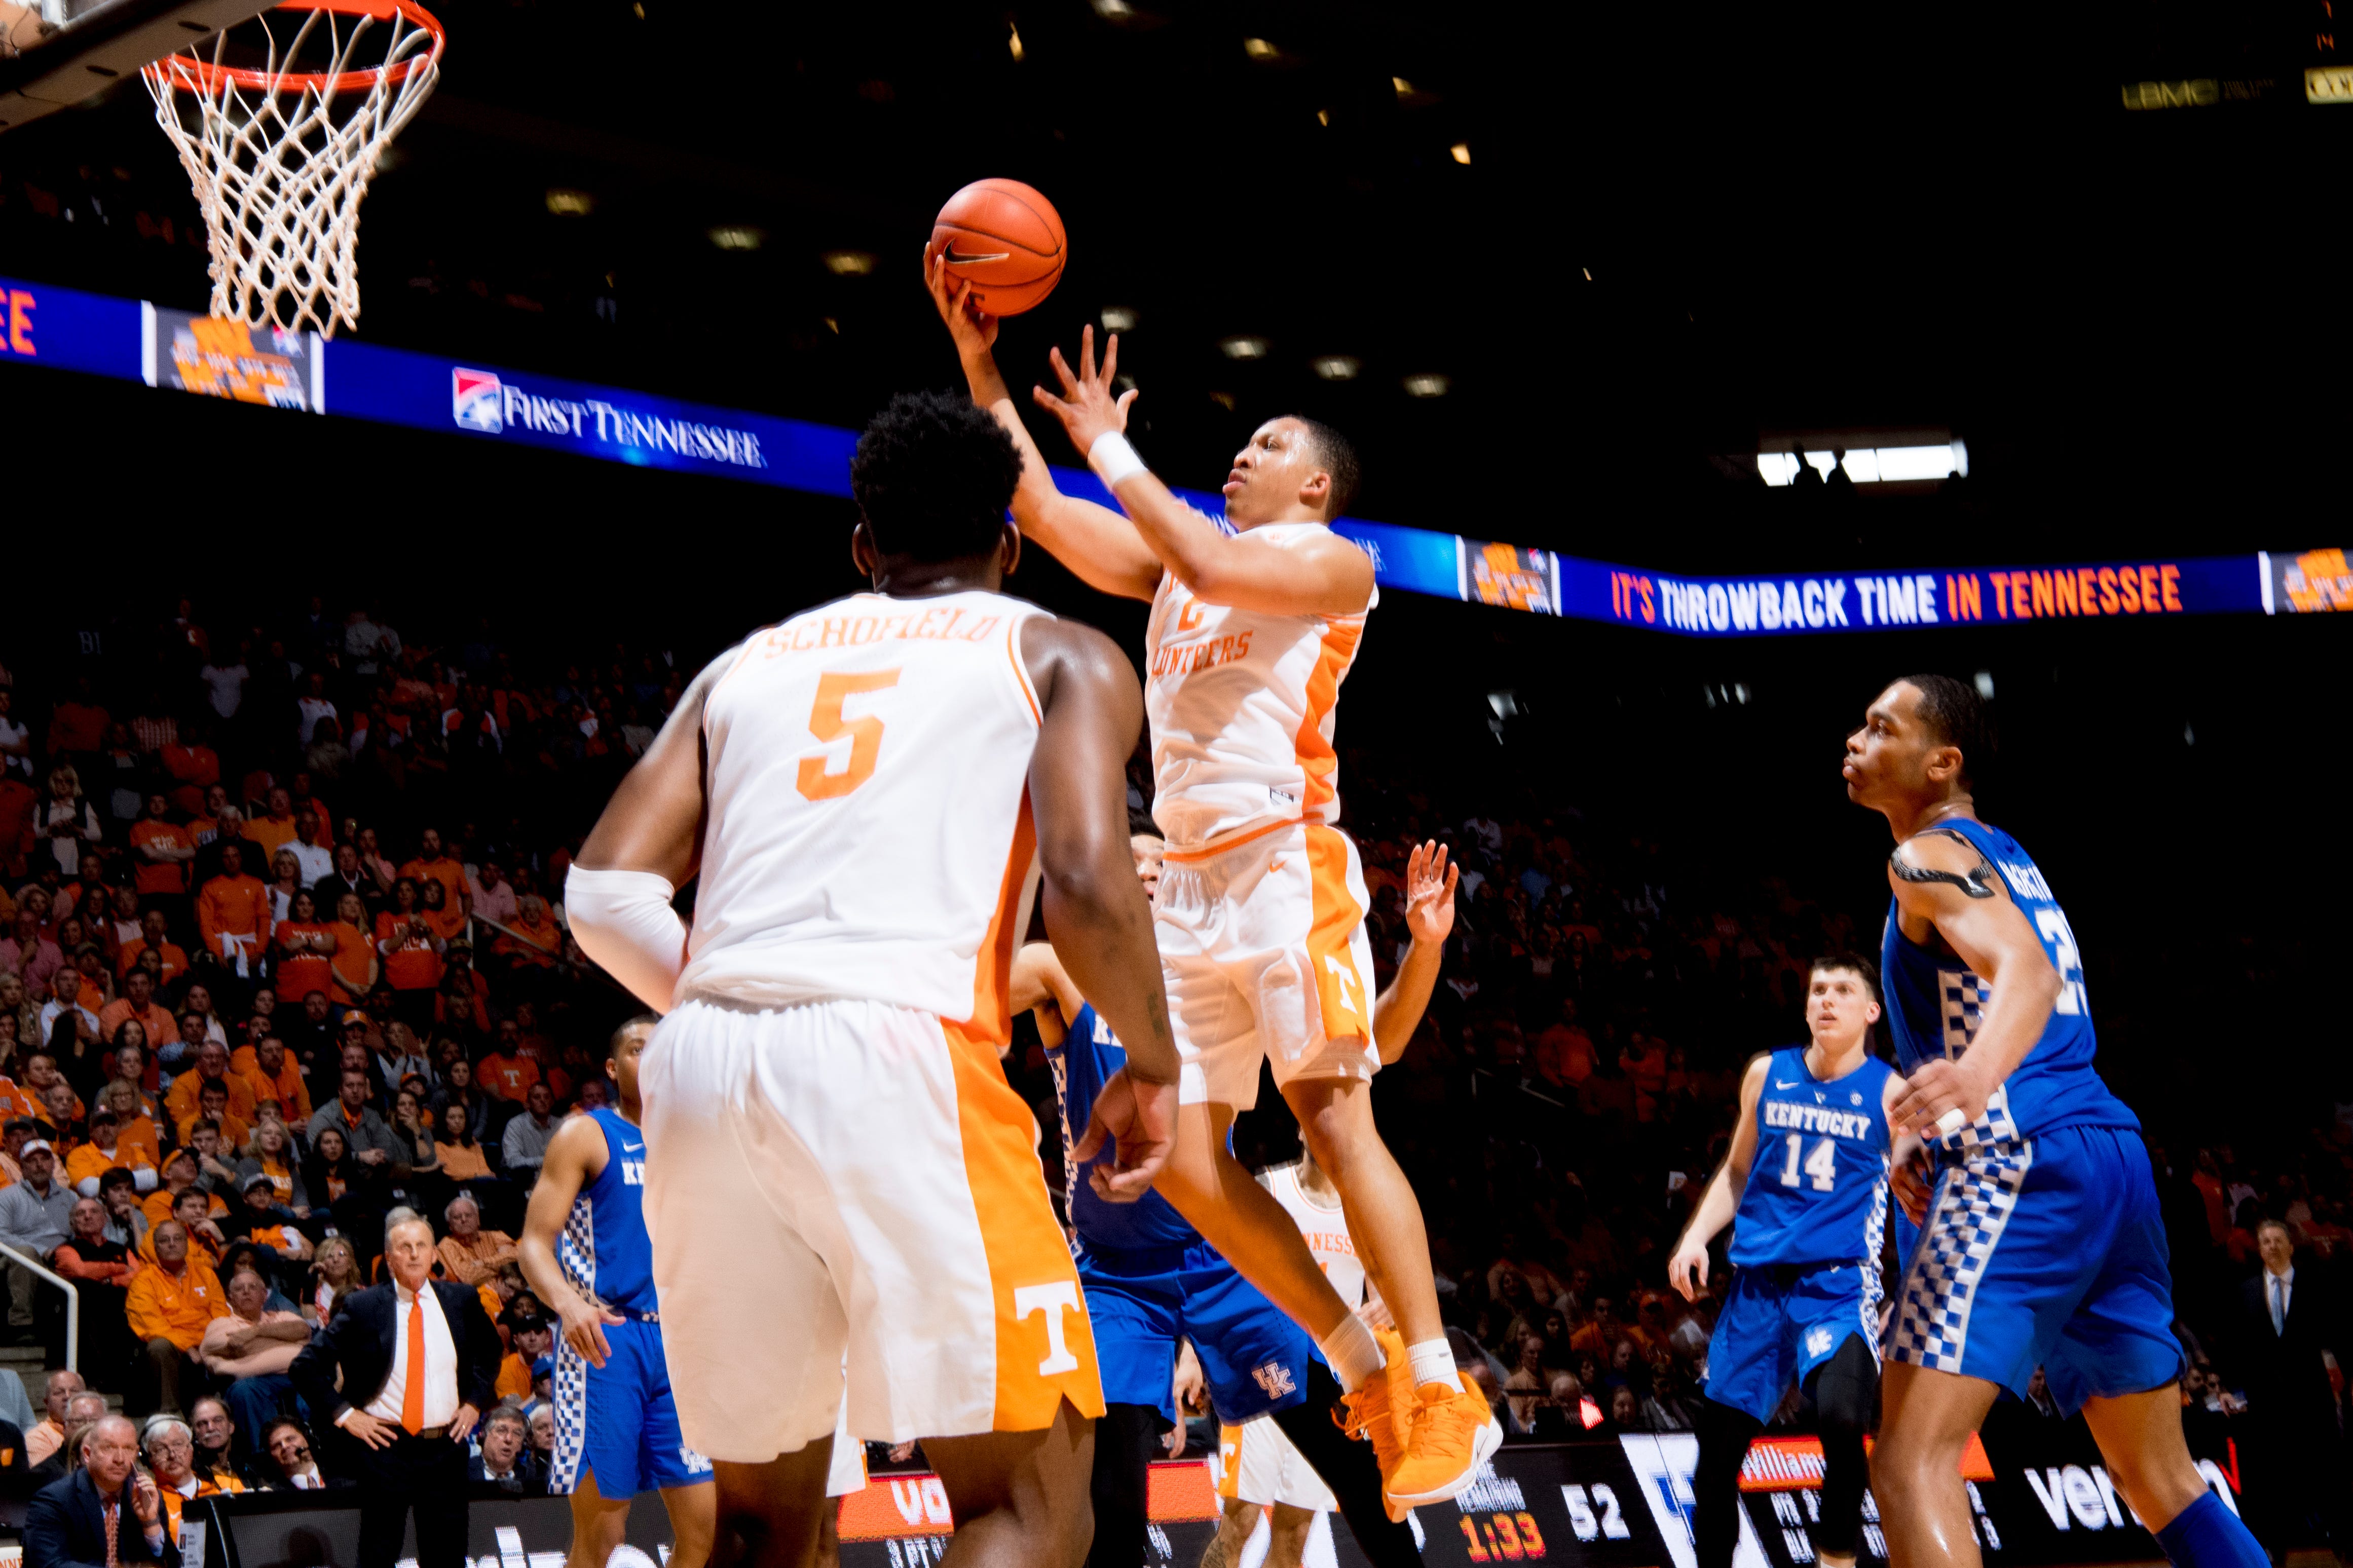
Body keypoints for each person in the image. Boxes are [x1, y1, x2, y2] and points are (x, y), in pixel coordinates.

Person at [567, 389, 1210, 1568]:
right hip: (903, 1056)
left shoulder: (740, 668)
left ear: (862, 546)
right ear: (1012, 544)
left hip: (700, 1060)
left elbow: (602, 897)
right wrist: (1155, 1058)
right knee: (1031, 1506)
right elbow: (1079, 873)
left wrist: (737, 1007)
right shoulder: (1057, 649)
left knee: (761, 1525)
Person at [932, 251, 1491, 1511]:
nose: (1242, 454)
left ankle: (1436, 1377)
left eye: (1268, 443)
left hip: (1289, 871)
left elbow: (1213, 555)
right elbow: (1041, 509)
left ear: (1317, 485)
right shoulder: (1174, 570)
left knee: (1335, 1114)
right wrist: (980, 365)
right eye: (1240, 442)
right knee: (1185, 1157)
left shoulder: (1333, 567)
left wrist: (1116, 452)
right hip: (1184, 888)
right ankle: (1354, 1366)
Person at [1844, 674, 2266, 1568]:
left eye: (1882, 728)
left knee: (1911, 1465)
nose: (1855, 739)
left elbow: (2026, 976)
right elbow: (2005, 990)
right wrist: (1929, 1108)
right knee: (2158, 1477)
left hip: (2017, 1158)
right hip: (2106, 1157)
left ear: (1940, 761)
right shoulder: (2007, 856)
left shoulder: (1924, 856)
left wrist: (1970, 1082)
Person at [1021, 836, 1459, 1568]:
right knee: (1117, 1504)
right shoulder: (1065, 972)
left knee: (1346, 1454)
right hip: (1115, 1273)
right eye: (1137, 861)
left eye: (1166, 863)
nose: (1154, 871)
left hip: (1220, 1254)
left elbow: (1370, 1044)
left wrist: (1424, 950)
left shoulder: (1219, 975)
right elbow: (962, 986)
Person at [1666, 955, 1898, 1568]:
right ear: (1804, 1006)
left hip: (1837, 1285)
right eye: (1817, 989)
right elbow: (1738, 1170)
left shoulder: (1890, 1093)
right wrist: (1695, 1237)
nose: (1826, 999)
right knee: (1713, 1464)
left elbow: (1923, 1196)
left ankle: (1834, 1558)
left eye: (1843, 990)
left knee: (1841, 1418)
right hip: (1756, 1290)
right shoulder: (1766, 1073)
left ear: (1870, 1011)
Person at [518, 1018, 725, 1568]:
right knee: (602, 1534)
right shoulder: (586, 1133)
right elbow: (534, 1244)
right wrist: (568, 1303)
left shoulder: (691, 1140)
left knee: (705, 1532)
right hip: (605, 1341)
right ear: (613, 1068)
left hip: (678, 1343)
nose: (653, 1059)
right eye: (639, 1049)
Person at [290, 1210, 499, 1568]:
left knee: (447, 1554)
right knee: (379, 1552)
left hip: (446, 1445)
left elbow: (491, 1350)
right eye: (405, 1247)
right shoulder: (364, 1305)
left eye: (422, 1246)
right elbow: (304, 1366)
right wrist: (346, 1415)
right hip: (386, 1447)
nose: (415, 1254)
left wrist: (475, 1402)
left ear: (435, 1255)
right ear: (390, 1258)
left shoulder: (461, 1299)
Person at [2232, 1218, 2348, 1559]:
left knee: (2328, 1472)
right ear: (2259, 1248)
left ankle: (2342, 1540)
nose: (2271, 1246)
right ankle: (2273, 1547)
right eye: (2265, 1241)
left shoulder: (2316, 1285)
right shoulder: (2246, 1290)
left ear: (2291, 1246)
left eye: (2278, 1240)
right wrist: (2234, 1387)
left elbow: (2338, 1334)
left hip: (2312, 1397)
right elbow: (2238, 1345)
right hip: (2267, 1401)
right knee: (2271, 1479)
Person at [24, 1414, 180, 1568]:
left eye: (128, 1449)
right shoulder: (54, 1500)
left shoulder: (145, 1496)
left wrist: (150, 1522)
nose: (120, 1458)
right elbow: (51, 1564)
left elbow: (173, 1563)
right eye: (109, 1448)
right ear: (87, 1454)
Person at [200, 1266, 311, 1452]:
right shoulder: (220, 1324)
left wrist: (256, 1332)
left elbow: (303, 1330)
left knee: (316, 1377)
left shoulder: (282, 1316)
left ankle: (315, 1447)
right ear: (230, 1298)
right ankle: (267, 1456)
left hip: (296, 1375)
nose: (246, 1292)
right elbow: (236, 1348)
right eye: (239, 1289)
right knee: (244, 1390)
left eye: (252, 1287)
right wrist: (286, 1343)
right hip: (254, 1383)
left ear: (264, 1295)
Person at [126, 1218, 230, 1416]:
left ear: (187, 1244)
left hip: (207, 1342)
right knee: (159, 1345)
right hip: (174, 1347)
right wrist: (187, 1347)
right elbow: (151, 1325)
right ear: (156, 1248)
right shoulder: (143, 1281)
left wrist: (210, 1344)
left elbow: (221, 1314)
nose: (172, 1244)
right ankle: (171, 1414)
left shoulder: (207, 1274)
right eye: (165, 1240)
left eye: (178, 1239)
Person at [0, 1138, 74, 1337]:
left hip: (62, 1257)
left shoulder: (71, 1198)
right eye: (32, 1161)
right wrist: (42, 1251)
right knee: (26, 1253)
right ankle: (21, 1324)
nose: (39, 1165)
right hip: (19, 1259)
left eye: (45, 1159)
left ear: (53, 1164)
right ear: (22, 1167)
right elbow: (1, 1235)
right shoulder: (7, 1197)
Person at [435, 1193, 516, 1285]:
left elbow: (517, 1257)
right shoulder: (446, 1245)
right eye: (457, 1217)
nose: (464, 1219)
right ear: (450, 1225)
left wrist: (483, 1263)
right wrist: (503, 1267)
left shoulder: (495, 1236)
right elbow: (468, 1278)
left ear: (478, 1219)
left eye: (469, 1215)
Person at [469, 1403, 545, 1495]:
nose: (509, 1439)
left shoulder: (532, 1479)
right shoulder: (461, 1475)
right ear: (483, 1436)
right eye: (501, 1430)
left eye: (517, 1434)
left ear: (524, 1444)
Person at [500, 1081, 558, 1187]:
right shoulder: (515, 1125)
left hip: (558, 1181)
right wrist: (543, 1161)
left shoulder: (561, 1125)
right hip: (527, 1184)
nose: (542, 1101)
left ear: (553, 1102)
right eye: (537, 1097)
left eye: (547, 1097)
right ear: (528, 1102)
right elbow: (513, 1161)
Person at [257, 1416, 339, 1490]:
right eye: (277, 1446)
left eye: (290, 1439)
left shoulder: (342, 1479)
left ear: (307, 1439)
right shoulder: (274, 1496)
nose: (285, 1447)